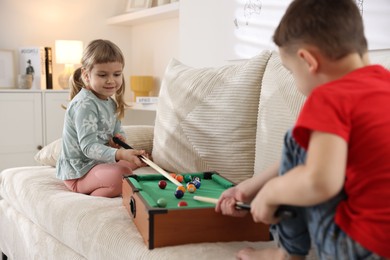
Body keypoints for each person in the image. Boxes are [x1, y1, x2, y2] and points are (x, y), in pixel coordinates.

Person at [216, 0, 390, 259]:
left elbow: (319, 180)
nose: (297, 84)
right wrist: (250, 187)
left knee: (295, 138)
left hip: (356, 247)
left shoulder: (329, 97)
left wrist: (272, 192)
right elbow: (314, 159)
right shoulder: (383, 85)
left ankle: (287, 252)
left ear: (308, 61)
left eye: (291, 72)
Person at [56, 39, 149, 198]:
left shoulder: (110, 103)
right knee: (124, 174)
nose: (111, 80)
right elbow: (88, 147)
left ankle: (112, 178)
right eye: (102, 75)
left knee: (136, 161)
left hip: (98, 163)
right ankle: (92, 195)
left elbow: (118, 132)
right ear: (86, 75)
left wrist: (117, 141)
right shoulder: (84, 104)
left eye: (117, 74)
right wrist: (119, 155)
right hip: (79, 172)